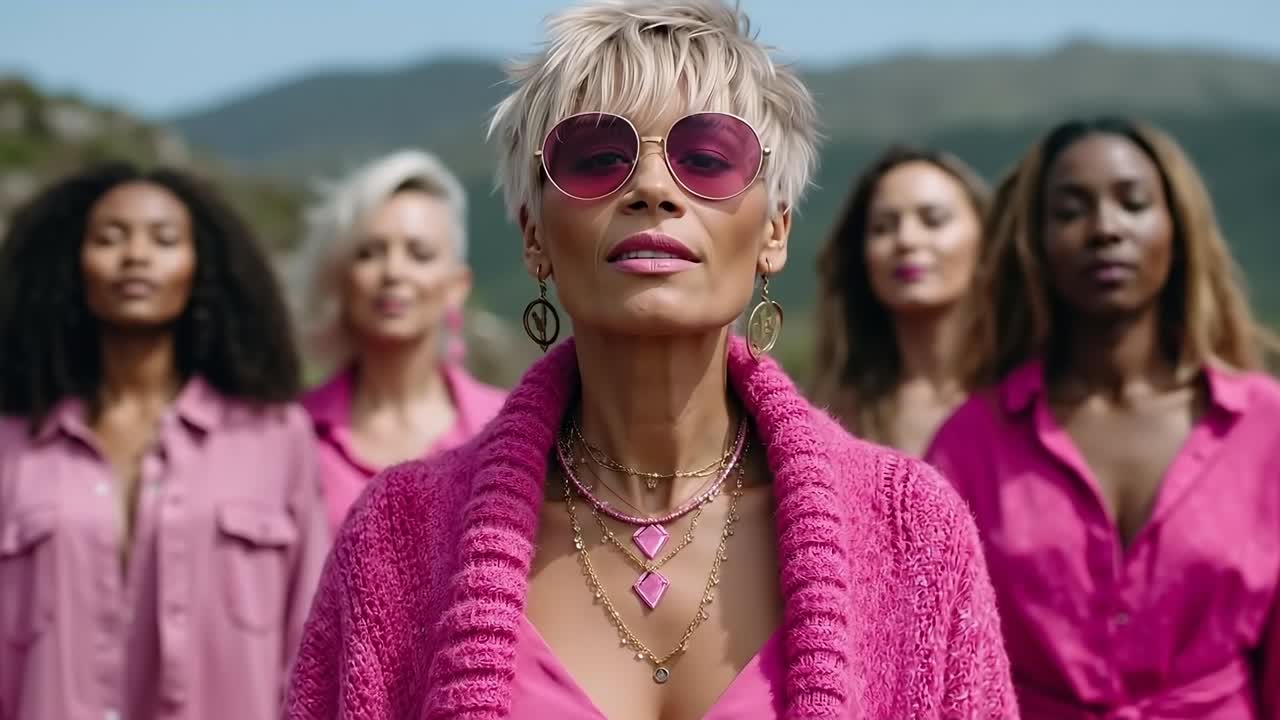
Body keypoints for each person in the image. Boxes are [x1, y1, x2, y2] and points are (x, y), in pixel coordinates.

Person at [285, 2, 1016, 719]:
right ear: (534, 235)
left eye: (708, 159)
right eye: (598, 158)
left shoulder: (913, 533)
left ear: (775, 231)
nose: (653, 189)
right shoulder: (396, 539)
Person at [926, 117, 1280, 717]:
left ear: (1177, 229)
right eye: (1070, 211)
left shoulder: (1264, 426)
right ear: (1035, 243)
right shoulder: (972, 441)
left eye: (1133, 203)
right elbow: (941, 662)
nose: (1105, 229)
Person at [0, 164, 328, 720]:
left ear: (201, 268)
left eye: (164, 239)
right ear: (71, 265)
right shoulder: (12, 445)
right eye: (110, 237)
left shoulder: (275, 438)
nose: (136, 255)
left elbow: (313, 641)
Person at [294, 149, 506, 534]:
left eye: (419, 254)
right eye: (369, 253)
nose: (393, 271)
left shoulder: (507, 427)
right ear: (342, 277)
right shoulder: (293, 435)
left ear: (457, 285)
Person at [810, 145, 988, 454]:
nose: (906, 240)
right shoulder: (832, 419)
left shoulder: (1033, 397)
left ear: (986, 236)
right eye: (883, 227)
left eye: (933, 220)